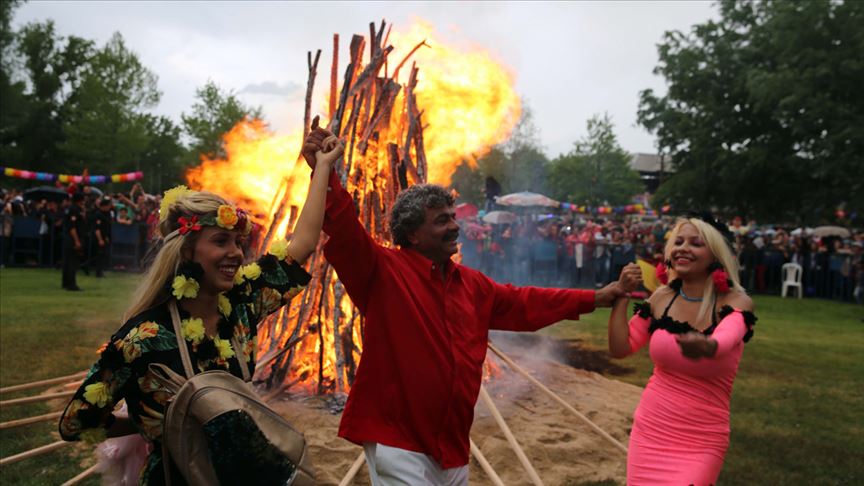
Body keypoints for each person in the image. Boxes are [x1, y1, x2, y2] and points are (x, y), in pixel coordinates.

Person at [302, 124, 629, 485]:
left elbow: (526, 303)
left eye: (453, 217)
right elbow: (345, 228)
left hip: (453, 444)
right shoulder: (382, 271)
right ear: (412, 233)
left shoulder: (472, 285)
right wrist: (324, 172)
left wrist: (596, 298)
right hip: (398, 439)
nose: (455, 227)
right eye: (442, 220)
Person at [58, 134, 344, 485]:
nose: (237, 253)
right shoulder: (143, 337)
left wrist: (323, 169)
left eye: (239, 243)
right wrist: (159, 421)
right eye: (220, 241)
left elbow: (302, 244)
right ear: (187, 251)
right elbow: (77, 421)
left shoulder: (241, 305)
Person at [607, 215, 756, 485]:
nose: (683, 248)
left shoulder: (737, 302)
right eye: (678, 242)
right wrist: (622, 294)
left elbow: (725, 338)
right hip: (651, 429)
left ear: (716, 255)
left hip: (702, 438)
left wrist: (707, 345)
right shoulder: (662, 298)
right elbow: (621, 347)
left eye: (696, 243)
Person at [62, 192, 87, 291]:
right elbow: (72, 227)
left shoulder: (70, 209)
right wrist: (77, 241)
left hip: (68, 238)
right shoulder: (74, 210)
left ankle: (66, 283)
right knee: (72, 262)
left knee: (67, 262)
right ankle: (72, 285)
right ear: (80, 200)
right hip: (72, 239)